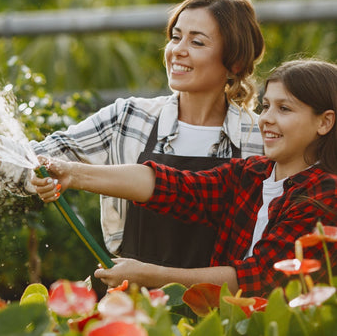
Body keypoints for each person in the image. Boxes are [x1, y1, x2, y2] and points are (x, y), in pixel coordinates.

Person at [0, 0, 264, 270]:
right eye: (175, 37)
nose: (177, 50)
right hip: (133, 306)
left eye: (196, 42)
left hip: (222, 312)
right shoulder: (129, 118)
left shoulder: (259, 138)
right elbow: (26, 163)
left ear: (233, 60)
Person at [31, 59, 337, 297]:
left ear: (324, 122)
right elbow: (177, 187)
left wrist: (148, 275)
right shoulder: (252, 174)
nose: (267, 118)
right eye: (266, 106)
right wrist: (72, 173)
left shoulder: (326, 196)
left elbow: (254, 278)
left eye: (284, 108)